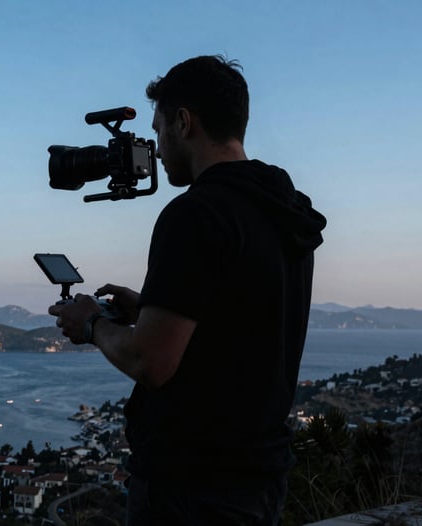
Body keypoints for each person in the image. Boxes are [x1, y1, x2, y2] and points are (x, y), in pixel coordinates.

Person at [49, 55, 327, 525]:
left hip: (191, 487)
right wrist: (151, 310)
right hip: (258, 476)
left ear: (183, 122)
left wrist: (91, 324)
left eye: (158, 130)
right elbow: (244, 322)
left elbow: (149, 363)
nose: (155, 149)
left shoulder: (196, 214)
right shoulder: (285, 209)